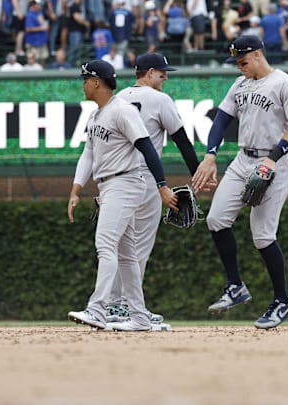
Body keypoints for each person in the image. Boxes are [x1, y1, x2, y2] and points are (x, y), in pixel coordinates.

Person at [192, 35, 288, 330]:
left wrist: (272, 158)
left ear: (257, 55)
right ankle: (235, 286)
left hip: (276, 163)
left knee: (262, 237)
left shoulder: (285, 83)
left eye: (243, 61)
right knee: (216, 220)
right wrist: (210, 155)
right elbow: (220, 120)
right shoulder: (240, 84)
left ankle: (282, 301)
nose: (239, 67)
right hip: (243, 159)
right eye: (236, 62)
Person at [89, 52, 203, 330]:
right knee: (137, 247)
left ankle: (118, 304)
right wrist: (197, 173)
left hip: (113, 178)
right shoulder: (160, 100)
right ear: (150, 73)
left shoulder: (115, 101)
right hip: (145, 180)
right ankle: (124, 307)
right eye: (163, 74)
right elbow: (182, 141)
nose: (165, 79)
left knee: (118, 243)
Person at [67, 59, 178, 331]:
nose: (82, 85)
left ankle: (97, 309)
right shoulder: (96, 115)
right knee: (127, 255)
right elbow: (89, 154)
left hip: (125, 182)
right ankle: (139, 318)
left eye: (85, 80)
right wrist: (76, 189)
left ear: (96, 82)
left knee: (105, 244)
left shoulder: (122, 110)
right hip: (109, 185)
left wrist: (162, 185)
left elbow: (147, 148)